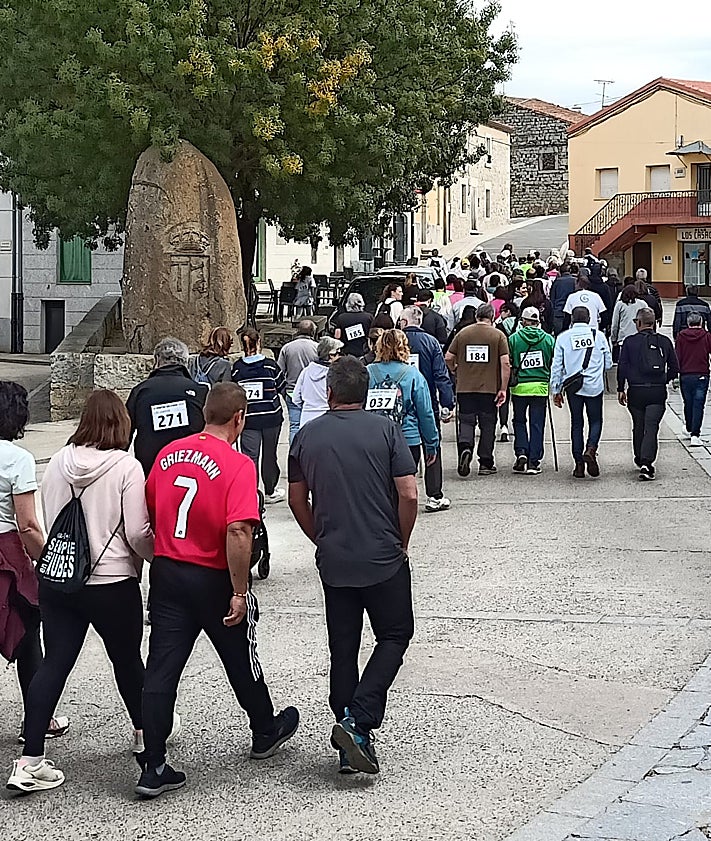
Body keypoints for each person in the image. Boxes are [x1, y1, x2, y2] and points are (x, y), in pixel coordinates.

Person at [137, 383, 299, 797]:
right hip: (211, 574)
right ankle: (264, 728)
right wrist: (240, 590)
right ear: (239, 418)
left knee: (161, 667)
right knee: (240, 655)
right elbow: (239, 530)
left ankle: (153, 762)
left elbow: (151, 509)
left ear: (204, 413)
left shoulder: (167, 454)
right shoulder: (238, 464)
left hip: (169, 571)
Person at [7, 390, 154, 794]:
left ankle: (30, 760)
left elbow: (47, 517)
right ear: (121, 423)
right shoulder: (127, 467)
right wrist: (152, 558)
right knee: (127, 661)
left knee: (55, 663)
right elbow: (137, 532)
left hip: (60, 580)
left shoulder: (57, 461)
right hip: (112, 582)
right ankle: (144, 737)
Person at [288, 357, 417, 775]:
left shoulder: (306, 436)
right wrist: (401, 540)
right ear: (366, 393)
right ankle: (359, 721)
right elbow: (409, 494)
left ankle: (350, 738)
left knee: (343, 648)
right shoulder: (386, 430)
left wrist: (319, 537)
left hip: (335, 558)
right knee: (395, 634)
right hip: (382, 553)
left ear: (329, 392)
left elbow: (296, 499)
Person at [0, 383, 68, 760]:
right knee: (27, 636)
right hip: (7, 552)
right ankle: (37, 719)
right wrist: (47, 559)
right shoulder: (18, 459)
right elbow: (27, 524)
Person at [445, 303, 510, 477]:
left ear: (476, 316)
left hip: (465, 387)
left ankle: (465, 448)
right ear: (493, 317)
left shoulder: (463, 333)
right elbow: (505, 363)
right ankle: (486, 462)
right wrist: (503, 388)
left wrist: (455, 369)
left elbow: (448, 357)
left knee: (466, 421)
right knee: (488, 425)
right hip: (489, 388)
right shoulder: (498, 335)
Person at [400, 306, 455, 512]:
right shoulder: (431, 342)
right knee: (432, 444)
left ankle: (402, 491)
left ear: (404, 322)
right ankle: (434, 494)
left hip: (400, 404)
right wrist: (447, 402)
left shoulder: (396, 341)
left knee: (403, 449)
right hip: (427, 400)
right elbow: (441, 374)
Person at [126, 338, 208, 476]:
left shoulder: (140, 391)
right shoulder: (200, 391)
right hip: (190, 465)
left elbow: (124, 431)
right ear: (185, 362)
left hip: (150, 468)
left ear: (157, 361)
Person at [617, 308, 679, 480]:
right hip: (657, 391)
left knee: (638, 425)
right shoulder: (664, 341)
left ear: (638, 323)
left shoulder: (629, 342)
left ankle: (639, 456)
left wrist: (621, 388)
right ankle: (647, 462)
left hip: (636, 390)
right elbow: (675, 367)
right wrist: (664, 379)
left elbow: (622, 365)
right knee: (651, 427)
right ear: (654, 323)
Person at [552, 307, 613, 477]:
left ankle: (578, 464)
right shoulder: (599, 336)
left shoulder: (563, 337)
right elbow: (608, 363)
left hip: (574, 386)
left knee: (576, 423)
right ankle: (591, 448)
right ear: (589, 319)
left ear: (572, 319)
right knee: (595, 420)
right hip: (594, 386)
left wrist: (556, 389)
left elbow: (557, 366)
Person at [366, 329, 440, 472]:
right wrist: (431, 444)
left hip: (375, 438)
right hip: (407, 438)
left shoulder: (368, 372)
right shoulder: (413, 374)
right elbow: (425, 412)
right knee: (405, 482)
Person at [232, 329, 286, 504]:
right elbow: (281, 386)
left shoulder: (237, 368)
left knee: (250, 457)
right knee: (270, 455)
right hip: (271, 417)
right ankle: (270, 491)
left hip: (249, 419)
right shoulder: (270, 366)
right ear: (259, 342)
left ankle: (252, 494)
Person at [508, 307, 556, 475]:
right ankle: (533, 462)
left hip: (520, 387)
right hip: (540, 387)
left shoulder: (513, 339)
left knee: (519, 421)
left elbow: (509, 361)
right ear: (538, 322)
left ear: (523, 321)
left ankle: (521, 451)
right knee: (537, 424)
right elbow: (553, 362)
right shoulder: (548, 339)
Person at [277, 320, 318, 444]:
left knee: (294, 426)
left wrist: (283, 391)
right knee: (312, 424)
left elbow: (280, 371)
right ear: (313, 332)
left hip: (291, 390)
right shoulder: (317, 348)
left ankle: (293, 452)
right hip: (311, 391)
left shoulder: (287, 348)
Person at [675, 311, 711, 445]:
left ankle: (689, 427)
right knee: (699, 404)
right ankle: (695, 434)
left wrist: (674, 374)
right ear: (701, 322)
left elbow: (677, 356)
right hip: (702, 373)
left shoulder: (681, 336)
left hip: (685, 374)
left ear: (688, 323)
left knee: (688, 402)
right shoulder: (706, 336)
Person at [293, 336, 344, 428]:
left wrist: (307, 406)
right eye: (339, 353)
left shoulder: (306, 371)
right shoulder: (336, 375)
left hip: (307, 419)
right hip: (328, 419)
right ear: (331, 355)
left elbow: (296, 398)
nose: (341, 356)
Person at [611, 285, 647, 358]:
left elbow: (615, 323)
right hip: (640, 337)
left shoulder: (620, 304)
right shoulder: (642, 304)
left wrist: (614, 338)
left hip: (623, 338)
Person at [550, 263, 576, 335]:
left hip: (558, 311)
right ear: (570, 270)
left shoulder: (557, 282)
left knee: (559, 335)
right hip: (572, 311)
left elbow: (552, 297)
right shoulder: (575, 281)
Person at [588, 263, 613, 331]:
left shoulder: (588, 285)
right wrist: (609, 320)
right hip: (602, 314)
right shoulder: (604, 287)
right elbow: (609, 304)